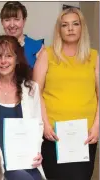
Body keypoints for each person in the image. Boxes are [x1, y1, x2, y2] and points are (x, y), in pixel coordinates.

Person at [33, 7, 99, 180]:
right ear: (59, 29)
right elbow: (35, 91)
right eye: (65, 25)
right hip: (54, 134)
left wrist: (97, 126)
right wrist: (45, 123)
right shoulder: (47, 55)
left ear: (82, 28)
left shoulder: (94, 56)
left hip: (85, 134)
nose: (70, 28)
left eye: (75, 24)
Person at [0, 35, 45, 180]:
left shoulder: (31, 88)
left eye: (9, 56)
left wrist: (36, 152)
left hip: (23, 159)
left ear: (17, 59)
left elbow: (38, 125)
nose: (3, 61)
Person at [0, 1, 44, 68]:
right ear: (2, 22)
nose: (12, 25)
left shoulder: (37, 47)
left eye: (16, 19)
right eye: (7, 20)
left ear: (24, 21)